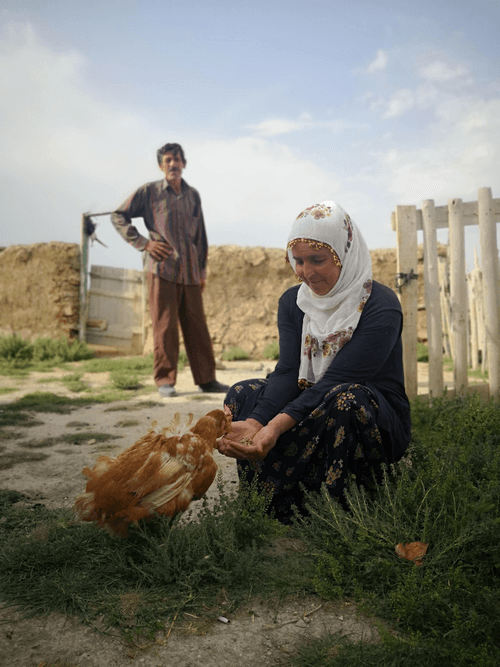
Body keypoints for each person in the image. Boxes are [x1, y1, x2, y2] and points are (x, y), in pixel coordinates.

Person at [218, 201, 411, 523]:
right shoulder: (293, 303)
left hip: (369, 413)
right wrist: (255, 423)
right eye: (298, 261)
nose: (306, 272)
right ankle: (268, 504)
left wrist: (274, 426)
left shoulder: (379, 304)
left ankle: (344, 507)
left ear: (344, 255)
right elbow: (289, 372)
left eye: (318, 259)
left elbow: (338, 379)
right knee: (243, 392)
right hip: (312, 398)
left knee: (347, 398)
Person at [111, 142, 229, 398]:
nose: (173, 164)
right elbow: (118, 216)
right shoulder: (149, 192)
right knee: (164, 327)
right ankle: (165, 380)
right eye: (167, 160)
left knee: (198, 326)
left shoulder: (193, 195)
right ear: (161, 165)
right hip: (162, 268)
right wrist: (144, 243)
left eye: (177, 160)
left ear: (184, 163)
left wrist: (203, 270)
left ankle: (207, 380)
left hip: (190, 271)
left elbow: (201, 236)